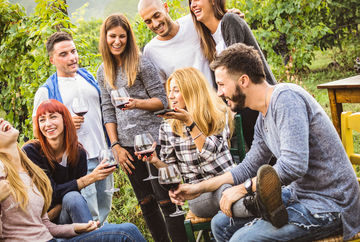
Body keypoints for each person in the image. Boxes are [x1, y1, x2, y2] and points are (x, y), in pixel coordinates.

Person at [170, 43, 360, 241]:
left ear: (243, 81)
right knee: (220, 225)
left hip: (332, 204)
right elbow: (248, 167)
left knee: (241, 240)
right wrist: (198, 188)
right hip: (299, 195)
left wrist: (243, 188)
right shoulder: (263, 117)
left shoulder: (287, 98)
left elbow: (294, 165)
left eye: (221, 84)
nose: (219, 92)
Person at [0, 115, 146, 241]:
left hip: (51, 239)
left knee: (125, 231)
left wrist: (76, 228)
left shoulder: (27, 169)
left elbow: (44, 225)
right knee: (127, 233)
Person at [97, 13, 187, 242]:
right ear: (105, 38)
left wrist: (136, 103)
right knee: (146, 204)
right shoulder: (102, 71)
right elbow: (108, 111)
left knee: (166, 199)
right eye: (112, 36)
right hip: (127, 147)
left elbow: (162, 101)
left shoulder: (140, 62)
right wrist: (115, 145)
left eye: (122, 36)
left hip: (154, 142)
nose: (117, 41)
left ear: (129, 38)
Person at [32, 31, 112, 223]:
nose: (72, 57)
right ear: (52, 60)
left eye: (73, 51)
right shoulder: (46, 91)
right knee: (90, 215)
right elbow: (38, 131)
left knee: (105, 210)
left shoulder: (87, 76)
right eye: (64, 54)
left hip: (102, 155)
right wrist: (66, 124)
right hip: (78, 161)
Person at [188, 0, 277, 148]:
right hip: (243, 104)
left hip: (259, 100)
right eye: (191, 1)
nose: (193, 5)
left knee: (271, 153)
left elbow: (234, 70)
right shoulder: (208, 40)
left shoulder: (229, 21)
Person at [139, 67, 238, 218]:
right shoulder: (167, 126)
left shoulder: (217, 114)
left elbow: (209, 153)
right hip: (198, 195)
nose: (170, 96)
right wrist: (155, 161)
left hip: (226, 179)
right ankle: (256, 205)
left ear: (191, 91)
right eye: (169, 91)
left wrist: (190, 123)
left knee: (227, 192)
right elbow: (173, 172)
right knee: (227, 193)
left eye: (176, 90)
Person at [23, 99, 115, 224]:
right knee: (72, 197)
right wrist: (90, 178)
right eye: (42, 120)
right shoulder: (31, 152)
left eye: (53, 117)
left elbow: (73, 194)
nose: (48, 124)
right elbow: (50, 193)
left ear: (65, 120)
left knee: (73, 197)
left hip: (65, 217)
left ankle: (90, 234)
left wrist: (64, 199)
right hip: (38, 223)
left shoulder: (78, 153)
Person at [138, 0, 243, 88]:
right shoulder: (150, 51)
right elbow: (165, 89)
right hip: (189, 109)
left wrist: (234, 17)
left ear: (166, 8)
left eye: (157, 15)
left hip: (219, 100)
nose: (155, 24)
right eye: (148, 21)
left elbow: (221, 27)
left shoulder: (194, 22)